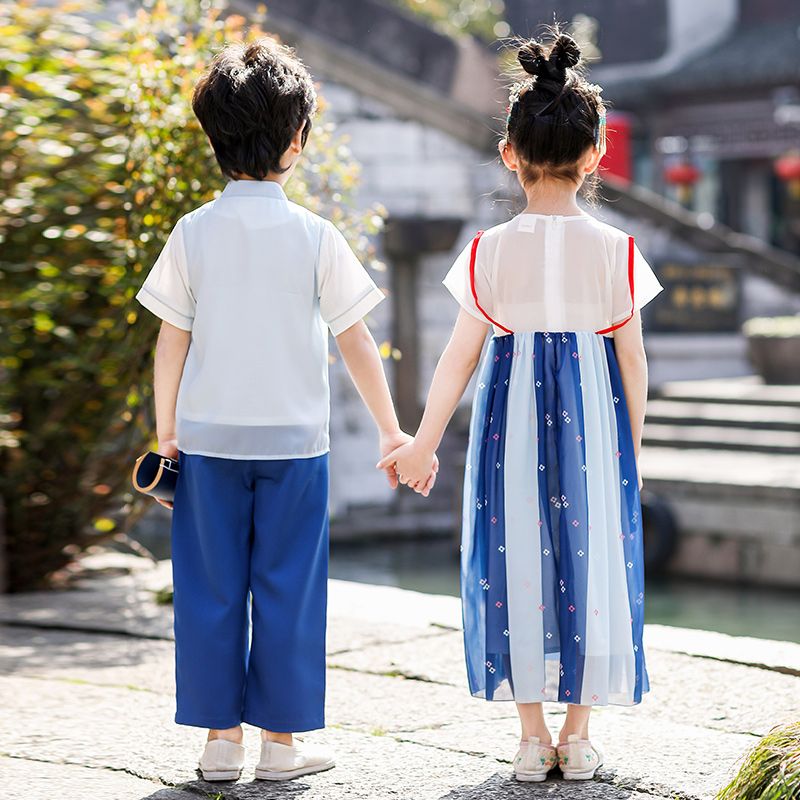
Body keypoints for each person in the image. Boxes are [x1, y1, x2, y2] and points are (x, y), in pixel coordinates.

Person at [136, 37, 436, 783]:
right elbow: (359, 343)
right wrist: (395, 431)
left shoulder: (193, 233)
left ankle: (217, 746)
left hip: (205, 446)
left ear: (214, 138)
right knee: (288, 593)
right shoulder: (315, 236)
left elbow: (170, 344)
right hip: (295, 448)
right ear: (298, 142)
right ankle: (279, 749)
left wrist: (167, 434)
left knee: (209, 592)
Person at [379, 31, 662, 782]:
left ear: (510, 152)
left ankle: (531, 738)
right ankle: (581, 734)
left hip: (510, 431)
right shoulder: (619, 252)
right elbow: (632, 360)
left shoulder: (487, 251)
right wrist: (627, 449)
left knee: (517, 563)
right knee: (592, 560)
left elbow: (458, 358)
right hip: (593, 430)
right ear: (596, 154)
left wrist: (422, 442)